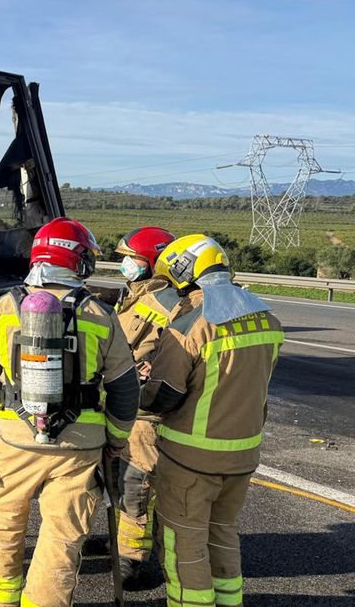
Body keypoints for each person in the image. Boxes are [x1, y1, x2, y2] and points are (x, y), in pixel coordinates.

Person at [0, 217, 139, 607]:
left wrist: (0, 417)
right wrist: (115, 439)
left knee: (4, 521)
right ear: (76, 260)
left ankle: (0, 599)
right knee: (62, 537)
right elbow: (124, 389)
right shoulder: (99, 314)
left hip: (15, 441)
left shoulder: (3, 308)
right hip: (80, 448)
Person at [141, 235, 282, 606]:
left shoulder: (192, 325)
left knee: (183, 545)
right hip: (243, 455)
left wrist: (138, 390)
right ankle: (228, 602)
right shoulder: (267, 318)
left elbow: (164, 396)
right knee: (222, 534)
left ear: (184, 273)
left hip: (191, 458)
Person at [111, 226, 181, 589]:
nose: (124, 265)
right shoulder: (136, 296)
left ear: (152, 263)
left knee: (137, 483)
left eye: (131, 259)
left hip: (146, 415)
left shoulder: (165, 303)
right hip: (124, 406)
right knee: (116, 479)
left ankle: (131, 559)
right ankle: (118, 539)